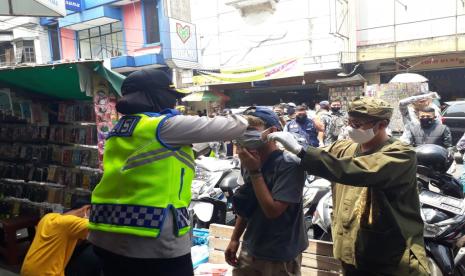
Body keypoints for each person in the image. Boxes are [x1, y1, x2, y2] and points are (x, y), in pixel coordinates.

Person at [88, 69, 248, 276]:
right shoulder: (164, 125)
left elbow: (153, 157)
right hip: (150, 235)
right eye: (171, 97)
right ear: (156, 96)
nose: (174, 103)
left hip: (106, 231)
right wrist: (248, 117)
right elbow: (235, 126)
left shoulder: (118, 129)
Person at [267, 97, 429, 275]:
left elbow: (355, 170)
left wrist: (300, 151)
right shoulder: (344, 148)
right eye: (349, 122)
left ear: (382, 124)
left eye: (358, 124)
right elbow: (318, 158)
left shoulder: (401, 154)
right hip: (349, 249)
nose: (351, 128)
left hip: (391, 255)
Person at [225, 107, 308, 276]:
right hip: (252, 246)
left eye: (250, 130)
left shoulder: (289, 164)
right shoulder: (249, 159)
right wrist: (235, 239)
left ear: (273, 132)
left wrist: (255, 172)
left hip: (280, 253)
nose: (244, 135)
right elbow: (248, 204)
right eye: (242, 131)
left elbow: (273, 211)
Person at [21, 202, 96, 276]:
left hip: (27, 270)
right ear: (87, 209)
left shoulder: (48, 217)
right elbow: (101, 229)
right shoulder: (71, 222)